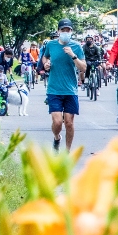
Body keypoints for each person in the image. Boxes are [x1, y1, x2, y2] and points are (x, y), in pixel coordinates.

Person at [38, 19, 86, 151]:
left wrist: (73, 55)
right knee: (58, 122)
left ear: (71, 32)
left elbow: (84, 67)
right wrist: (46, 63)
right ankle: (56, 137)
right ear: (58, 31)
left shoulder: (76, 46)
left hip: (70, 90)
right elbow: (45, 57)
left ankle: (67, 151)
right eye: (63, 30)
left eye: (68, 30)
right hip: (54, 89)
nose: (65, 32)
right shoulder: (51, 45)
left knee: (69, 123)